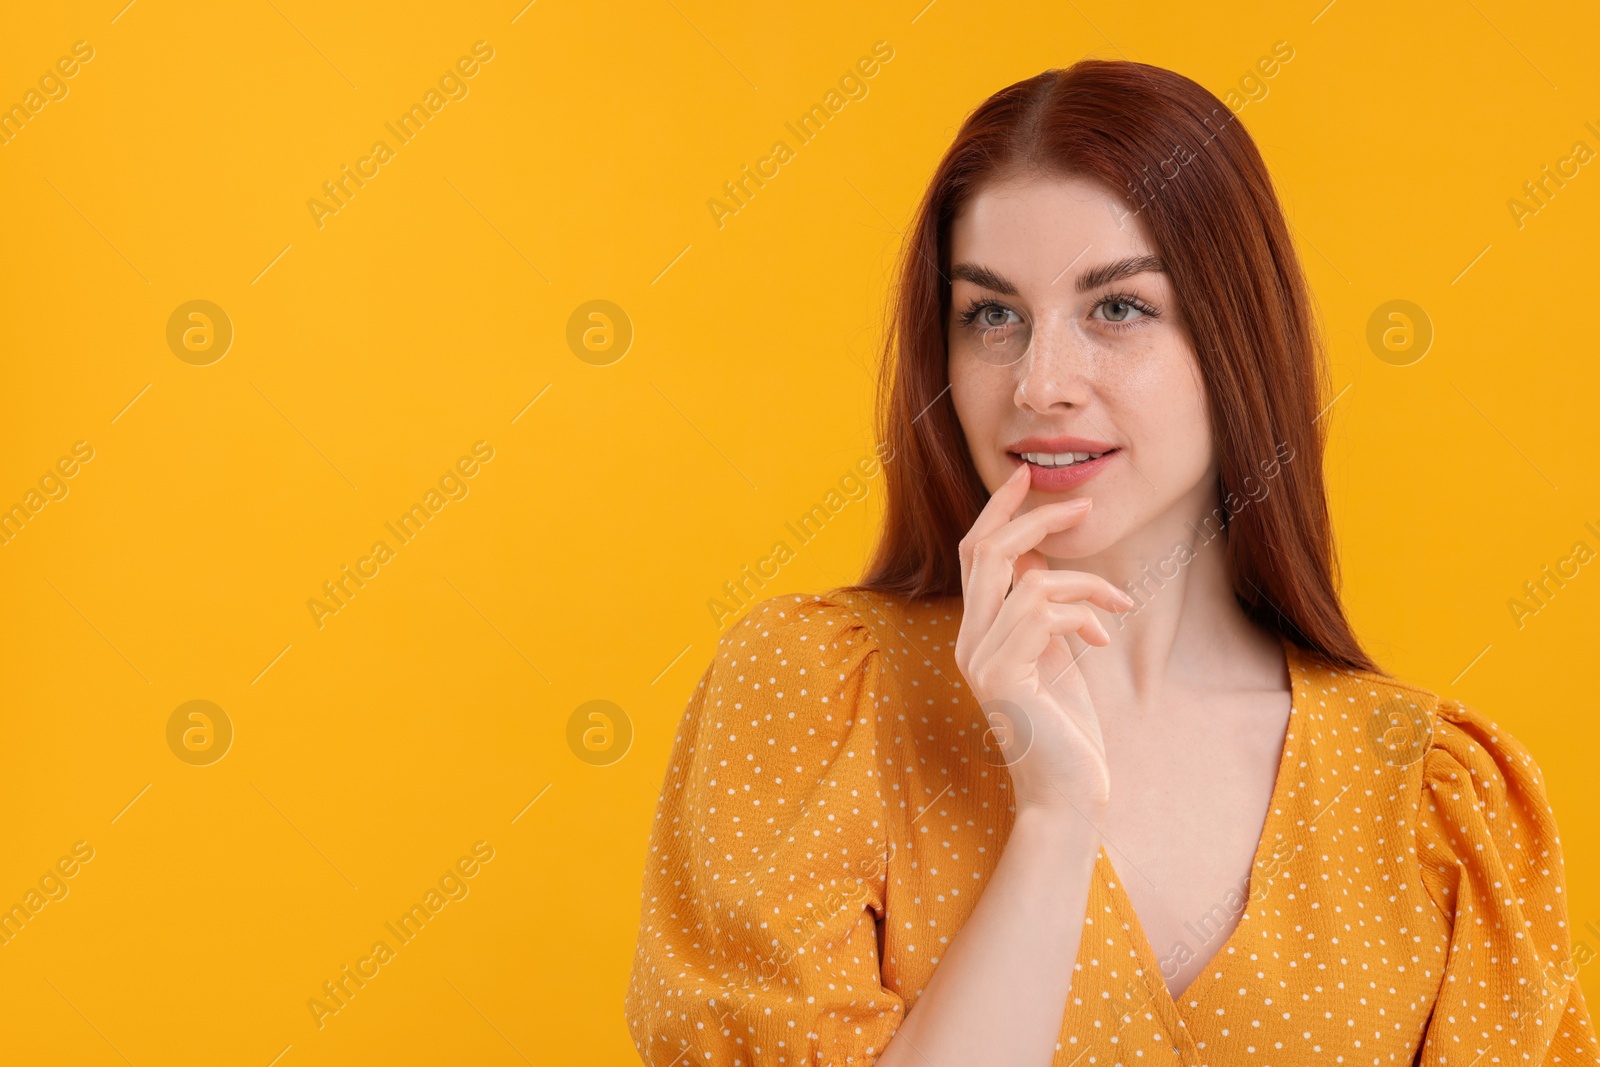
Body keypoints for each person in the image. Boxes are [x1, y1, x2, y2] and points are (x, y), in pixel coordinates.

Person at [623, 58, 1599, 1066]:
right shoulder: (819, 695)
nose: (1041, 382)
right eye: (991, 314)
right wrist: (1051, 822)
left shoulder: (1431, 796)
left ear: (1236, 338)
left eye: (1118, 308)